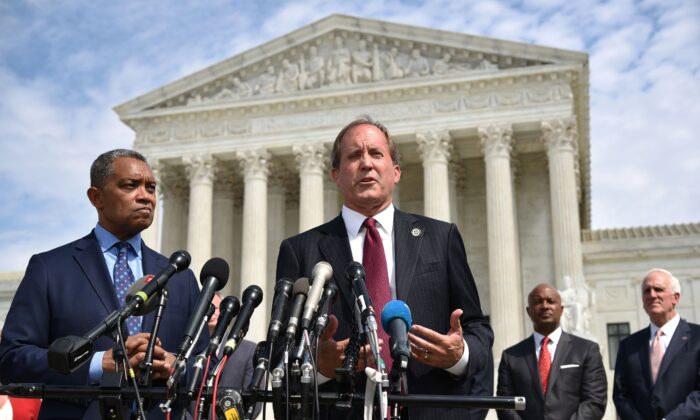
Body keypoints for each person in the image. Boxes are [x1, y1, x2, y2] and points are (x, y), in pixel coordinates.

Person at [275, 116, 493, 419]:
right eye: (354, 156)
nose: (366, 163)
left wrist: (458, 355)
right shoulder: (301, 250)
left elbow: (477, 330)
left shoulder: (440, 238)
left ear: (396, 172)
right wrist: (320, 367)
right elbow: (282, 351)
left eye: (376, 154)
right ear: (336, 175)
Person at [0, 149, 207, 418]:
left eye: (151, 187)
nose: (146, 196)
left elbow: (206, 362)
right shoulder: (50, 269)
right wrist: (98, 364)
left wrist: (175, 365)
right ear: (96, 197)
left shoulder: (180, 278)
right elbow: (12, 359)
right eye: (130, 185)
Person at [496, 283, 607, 419]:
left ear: (561, 310)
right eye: (538, 302)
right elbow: (504, 404)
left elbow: (595, 401)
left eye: (550, 301)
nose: (545, 306)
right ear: (528, 311)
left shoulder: (586, 350)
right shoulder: (511, 356)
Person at [613, 268, 700, 419]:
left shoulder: (697, 338)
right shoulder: (629, 345)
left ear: (676, 297)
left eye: (658, 289)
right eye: (647, 291)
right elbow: (621, 395)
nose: (652, 295)